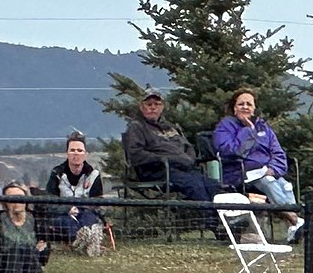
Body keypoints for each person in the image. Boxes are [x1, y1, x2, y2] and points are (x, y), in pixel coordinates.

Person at [211, 87, 300, 237]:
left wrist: (273, 168)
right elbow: (231, 151)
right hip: (238, 172)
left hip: (265, 172)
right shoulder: (225, 126)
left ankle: (291, 230)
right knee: (268, 182)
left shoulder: (264, 127)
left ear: (254, 108)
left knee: (285, 185)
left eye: (249, 104)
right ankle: (295, 221)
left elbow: (278, 153)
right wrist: (248, 130)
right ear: (234, 108)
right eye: (241, 104)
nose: (245, 107)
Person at [121, 87, 215, 203]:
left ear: (162, 107)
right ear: (142, 107)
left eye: (157, 104)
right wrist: (164, 159)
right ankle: (208, 220)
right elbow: (136, 154)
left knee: (214, 186)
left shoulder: (171, 127)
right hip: (158, 170)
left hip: (185, 169)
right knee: (195, 186)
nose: (153, 107)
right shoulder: (137, 127)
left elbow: (188, 147)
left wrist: (189, 159)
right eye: (149, 104)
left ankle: (225, 218)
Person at [42, 132, 108, 254]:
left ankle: (85, 240)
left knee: (88, 219)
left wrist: (84, 208)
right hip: (63, 213)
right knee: (69, 222)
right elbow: (49, 202)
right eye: (72, 150)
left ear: (85, 154)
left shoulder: (94, 175)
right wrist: (67, 208)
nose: (76, 153)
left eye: (79, 150)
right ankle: (83, 242)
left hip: (86, 211)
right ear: (67, 153)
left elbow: (98, 203)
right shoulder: (57, 174)